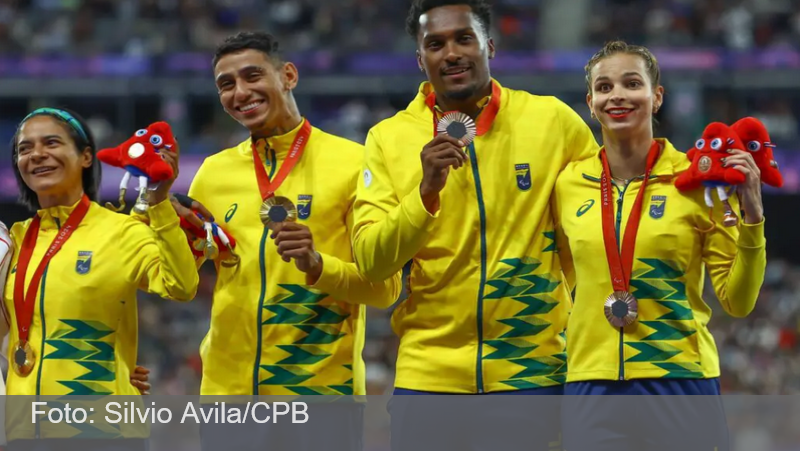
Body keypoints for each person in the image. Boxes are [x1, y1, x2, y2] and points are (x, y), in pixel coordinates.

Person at [352, 0, 598, 449]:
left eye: (464, 38)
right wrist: (423, 195)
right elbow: (370, 260)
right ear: (420, 59)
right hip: (428, 381)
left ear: (490, 45)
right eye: (435, 44)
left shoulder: (553, 122)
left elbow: (593, 231)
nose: (451, 53)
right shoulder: (388, 139)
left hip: (534, 374)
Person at [175, 31, 401, 450]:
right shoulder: (212, 173)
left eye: (252, 75)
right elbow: (182, 280)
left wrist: (319, 265)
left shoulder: (353, 164)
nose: (240, 92)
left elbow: (386, 288)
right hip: (228, 397)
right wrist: (161, 221)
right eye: (226, 84)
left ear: (289, 76)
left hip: (320, 397)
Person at [553, 41, 766, 450]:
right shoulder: (567, 185)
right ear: (591, 103)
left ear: (657, 97)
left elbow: (738, 301)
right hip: (589, 384)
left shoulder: (699, 180)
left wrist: (753, 221)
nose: (617, 95)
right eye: (604, 87)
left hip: (680, 381)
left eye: (632, 83)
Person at [2, 108, 198, 450]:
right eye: (24, 148)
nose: (37, 154)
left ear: (86, 156)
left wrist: (160, 202)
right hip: (24, 429)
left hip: (101, 431)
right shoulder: (14, 240)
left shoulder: (121, 231)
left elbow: (180, 286)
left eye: (52, 142)